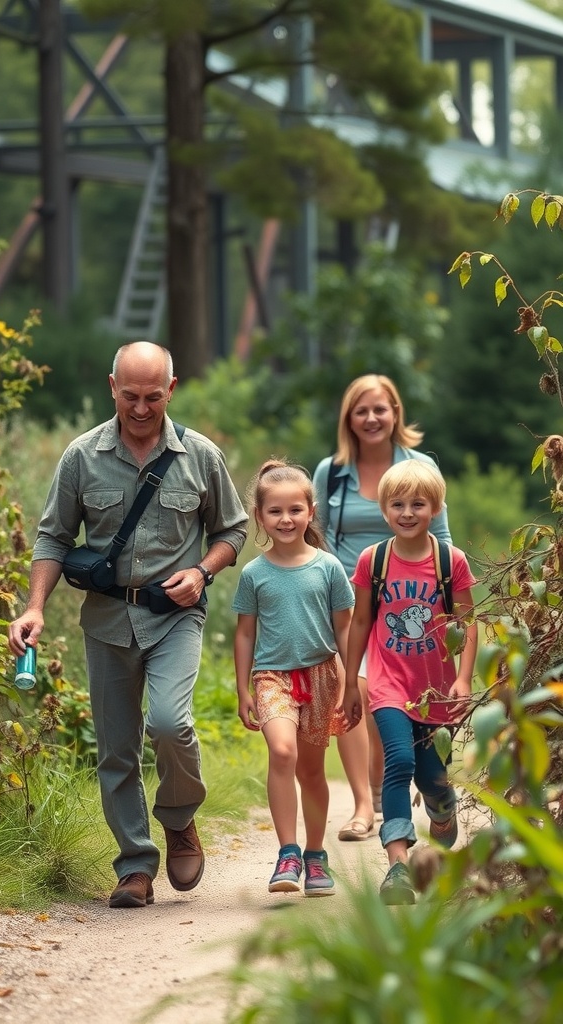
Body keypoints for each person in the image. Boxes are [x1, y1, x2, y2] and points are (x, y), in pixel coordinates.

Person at [8, 341, 248, 909]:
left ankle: (179, 817)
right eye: (131, 395)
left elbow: (233, 531)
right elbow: (52, 538)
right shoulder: (81, 456)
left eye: (153, 396)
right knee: (116, 749)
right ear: (112, 386)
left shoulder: (200, 455)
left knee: (169, 723)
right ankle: (135, 865)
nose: (141, 408)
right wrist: (35, 606)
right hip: (108, 619)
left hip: (175, 616)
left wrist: (203, 571)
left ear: (173, 389)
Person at [313, 374, 453, 842]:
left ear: (396, 413)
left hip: (406, 601)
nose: (371, 418)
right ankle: (361, 805)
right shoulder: (330, 472)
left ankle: (388, 789)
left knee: (388, 703)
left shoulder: (419, 466)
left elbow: (443, 539)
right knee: (350, 692)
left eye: (380, 409)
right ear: (348, 419)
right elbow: (320, 539)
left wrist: (442, 606)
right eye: (360, 410)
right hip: (344, 601)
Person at [343, 460, 477, 905]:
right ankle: (397, 866)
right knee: (398, 762)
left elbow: (467, 622)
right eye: (397, 504)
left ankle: (441, 808)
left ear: (435, 508)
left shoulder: (449, 561)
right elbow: (361, 621)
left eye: (417, 504)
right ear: (384, 510)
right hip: (389, 684)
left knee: (434, 778)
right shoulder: (373, 561)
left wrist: (462, 678)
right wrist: (350, 682)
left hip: (437, 689)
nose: (407, 512)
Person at [233, 459, 354, 897]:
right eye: (275, 512)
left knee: (312, 771)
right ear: (260, 516)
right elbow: (245, 632)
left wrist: (351, 684)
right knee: (281, 753)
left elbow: (344, 628)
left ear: (310, 511)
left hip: (322, 676)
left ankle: (316, 857)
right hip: (272, 678)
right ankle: (288, 852)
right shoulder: (254, 573)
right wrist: (242, 687)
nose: (285, 519)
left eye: (294, 510)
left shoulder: (328, 568)